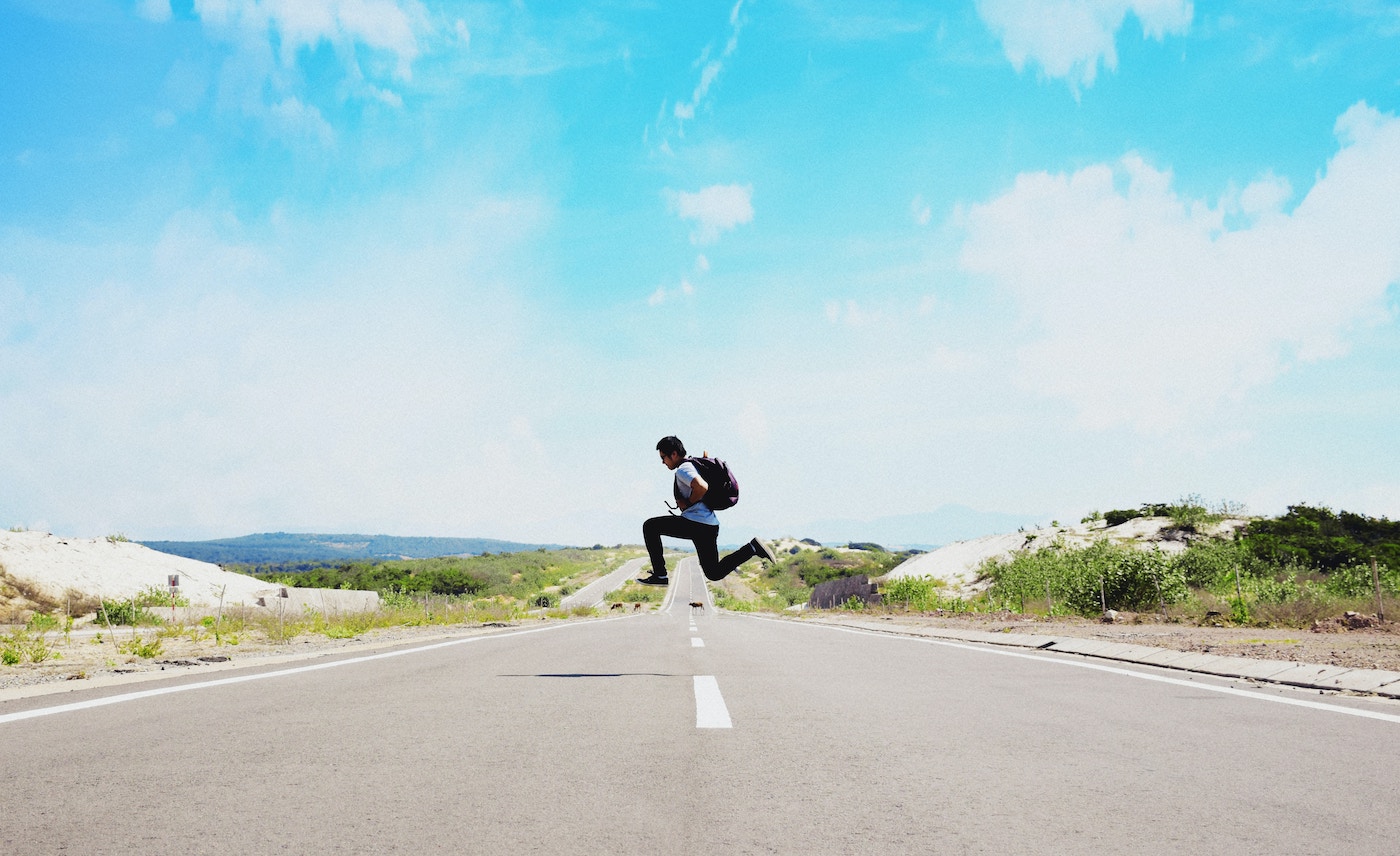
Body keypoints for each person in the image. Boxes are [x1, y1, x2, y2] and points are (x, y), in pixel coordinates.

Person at [637, 435, 778, 585]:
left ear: (674, 454)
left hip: (695, 524)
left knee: (650, 526)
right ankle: (752, 548)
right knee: (714, 572)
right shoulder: (692, 464)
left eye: (663, 457)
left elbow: (702, 487)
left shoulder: (683, 470)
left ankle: (660, 575)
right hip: (708, 526)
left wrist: (688, 503)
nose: (662, 462)